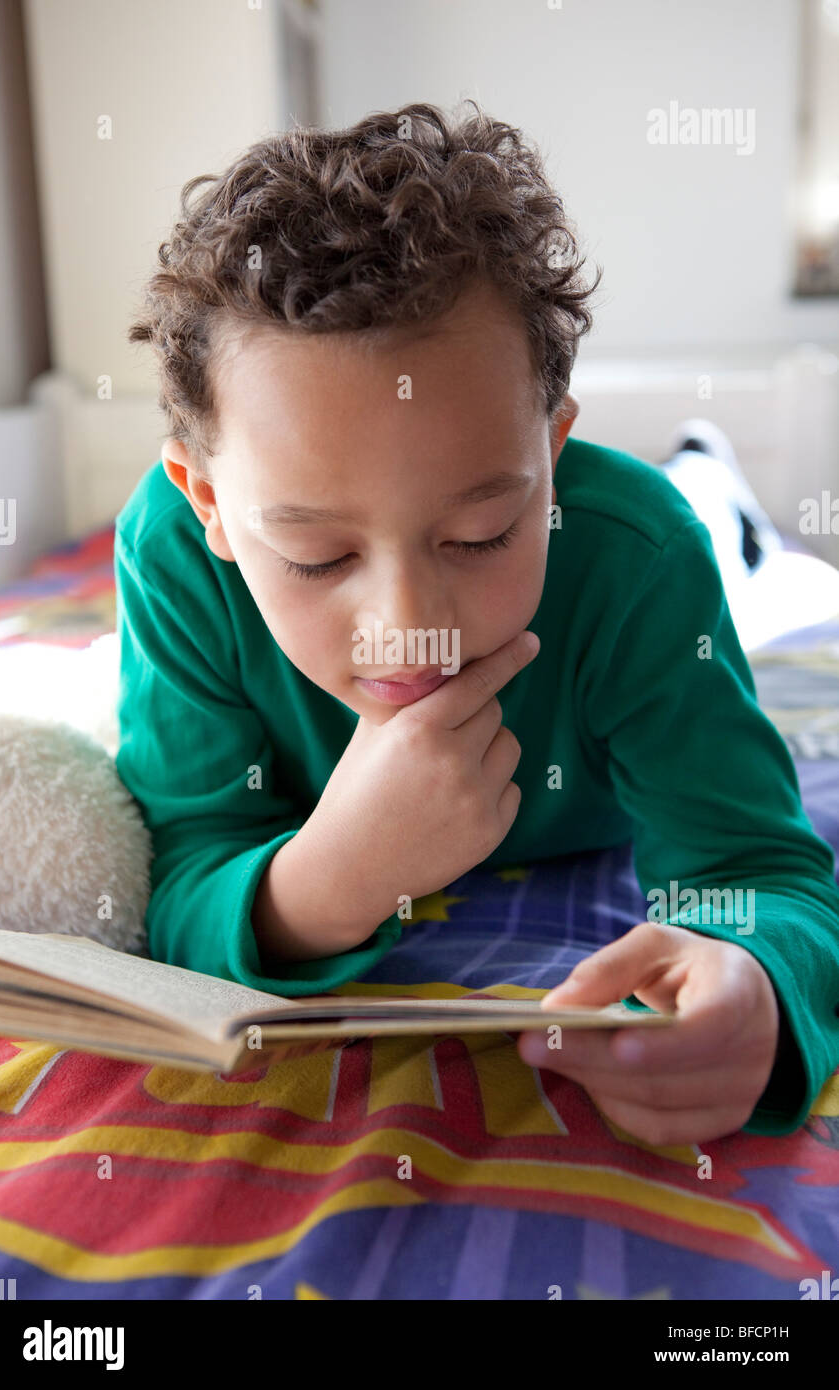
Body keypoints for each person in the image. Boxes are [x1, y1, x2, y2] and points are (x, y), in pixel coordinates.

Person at [115, 101, 839, 1145]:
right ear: (209, 504)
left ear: (550, 451)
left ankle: (710, 476)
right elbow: (186, 871)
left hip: (644, 522)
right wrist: (336, 875)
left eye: (481, 533)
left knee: (708, 527)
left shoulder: (636, 557)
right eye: (317, 555)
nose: (407, 625)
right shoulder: (171, 554)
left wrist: (755, 986)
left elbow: (756, 874)